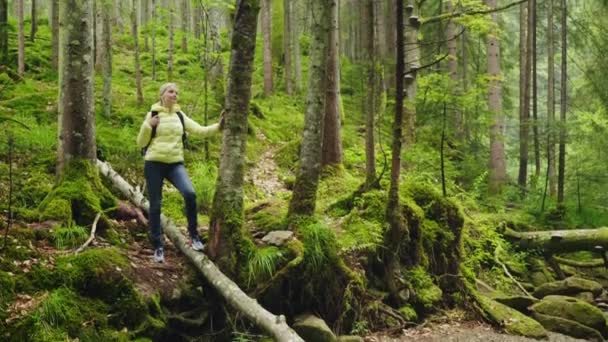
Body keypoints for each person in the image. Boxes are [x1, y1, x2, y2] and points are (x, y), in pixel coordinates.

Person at [137, 82, 223, 263]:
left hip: (175, 164)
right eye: (171, 92)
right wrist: (148, 125)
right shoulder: (152, 115)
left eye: (176, 92)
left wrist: (219, 126)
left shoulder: (179, 116)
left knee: (190, 194)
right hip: (154, 163)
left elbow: (200, 130)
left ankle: (194, 236)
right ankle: (158, 246)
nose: (175, 95)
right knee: (156, 205)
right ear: (162, 95)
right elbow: (141, 143)